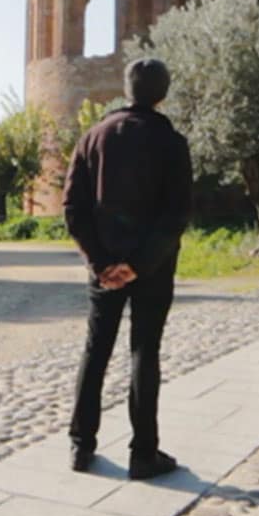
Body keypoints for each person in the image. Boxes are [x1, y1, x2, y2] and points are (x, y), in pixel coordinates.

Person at [63, 57, 192, 480]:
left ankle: (81, 447)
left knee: (95, 349)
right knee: (144, 352)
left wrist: (101, 262)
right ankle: (144, 454)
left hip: (104, 268)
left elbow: (72, 208)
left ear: (127, 88)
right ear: (163, 93)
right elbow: (176, 216)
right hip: (151, 269)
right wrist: (138, 264)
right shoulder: (171, 143)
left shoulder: (92, 138)